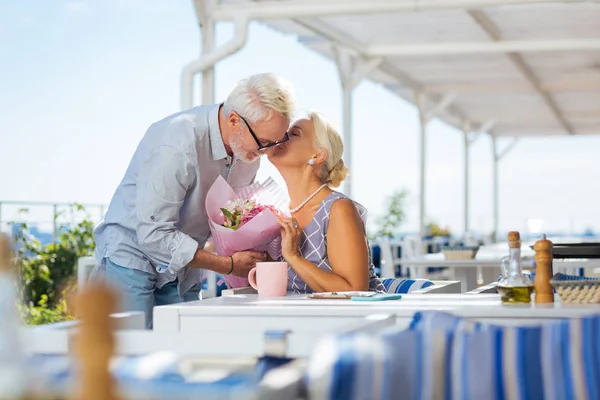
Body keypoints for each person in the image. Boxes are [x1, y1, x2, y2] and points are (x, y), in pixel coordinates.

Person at [93, 73, 296, 327]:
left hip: (184, 266)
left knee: (183, 349)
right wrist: (228, 265)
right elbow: (153, 234)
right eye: (263, 143)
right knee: (132, 351)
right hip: (132, 257)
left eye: (273, 143)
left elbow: (229, 218)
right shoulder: (178, 141)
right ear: (234, 120)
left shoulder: (247, 151)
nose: (264, 153)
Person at [267, 111, 385, 294]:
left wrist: (293, 256)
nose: (281, 137)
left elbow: (355, 291)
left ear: (318, 155)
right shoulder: (278, 211)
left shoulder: (338, 209)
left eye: (294, 133)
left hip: (353, 319)